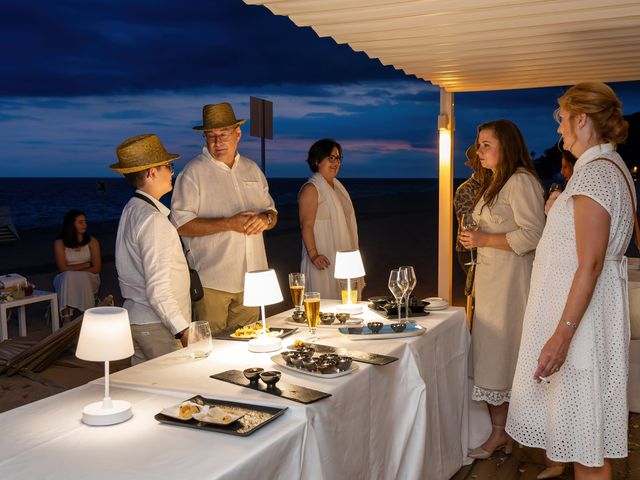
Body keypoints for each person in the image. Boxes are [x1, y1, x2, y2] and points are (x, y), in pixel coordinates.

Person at [506, 83, 634, 480]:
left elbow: (590, 264)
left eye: (562, 120)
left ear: (582, 119)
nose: (559, 130)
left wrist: (561, 337)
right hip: (587, 319)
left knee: (587, 450)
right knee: (583, 444)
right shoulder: (603, 170)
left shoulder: (595, 176)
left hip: (582, 328)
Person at [459, 119, 545, 459]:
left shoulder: (521, 181)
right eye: (478, 144)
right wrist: (476, 236)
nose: (478, 151)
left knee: (504, 354)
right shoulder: (497, 181)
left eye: (486, 145)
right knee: (493, 356)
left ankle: (512, 433)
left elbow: (534, 233)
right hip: (491, 282)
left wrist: (484, 238)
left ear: (505, 146)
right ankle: (503, 432)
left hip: (512, 284)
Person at [171, 103, 277, 334]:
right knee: (211, 351)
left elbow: (272, 212)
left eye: (223, 134)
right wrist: (229, 223)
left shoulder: (252, 169)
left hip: (254, 278)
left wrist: (265, 219)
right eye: (211, 136)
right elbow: (180, 225)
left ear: (237, 134)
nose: (217, 142)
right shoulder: (192, 173)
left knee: (251, 344)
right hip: (212, 282)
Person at [111, 133, 191, 365]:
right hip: (157, 326)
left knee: (148, 395)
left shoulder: (131, 209)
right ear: (152, 172)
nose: (172, 172)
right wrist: (183, 331)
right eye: (169, 166)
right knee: (175, 392)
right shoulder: (152, 219)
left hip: (137, 320)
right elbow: (158, 290)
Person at [298, 139, 360, 299]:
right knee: (325, 307)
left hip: (341, 257)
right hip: (322, 259)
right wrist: (314, 255)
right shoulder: (311, 188)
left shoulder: (337, 187)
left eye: (338, 158)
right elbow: (306, 226)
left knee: (346, 306)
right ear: (317, 161)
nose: (335, 162)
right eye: (330, 158)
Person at [53, 209, 101, 319]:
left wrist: (73, 270)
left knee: (76, 276)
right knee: (67, 276)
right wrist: (86, 264)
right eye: (80, 222)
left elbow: (97, 268)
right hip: (66, 278)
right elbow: (62, 268)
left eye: (85, 222)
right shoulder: (60, 243)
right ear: (71, 224)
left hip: (89, 277)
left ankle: (87, 314)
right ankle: (66, 317)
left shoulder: (92, 241)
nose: (85, 225)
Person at [544, 151, 577, 215]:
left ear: (575, 166)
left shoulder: (579, 193)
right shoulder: (566, 189)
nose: (561, 171)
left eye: (565, 167)